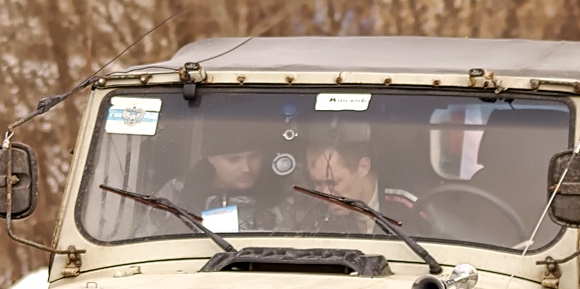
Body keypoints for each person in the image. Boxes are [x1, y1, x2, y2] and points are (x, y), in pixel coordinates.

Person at [279, 120, 423, 235]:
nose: (324, 194)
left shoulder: (410, 208)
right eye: (317, 183)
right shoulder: (313, 214)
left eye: (333, 182)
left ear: (363, 167)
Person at [151, 119, 280, 234]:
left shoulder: (282, 196)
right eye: (234, 160)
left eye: (254, 156)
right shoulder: (176, 192)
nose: (246, 168)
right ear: (211, 158)